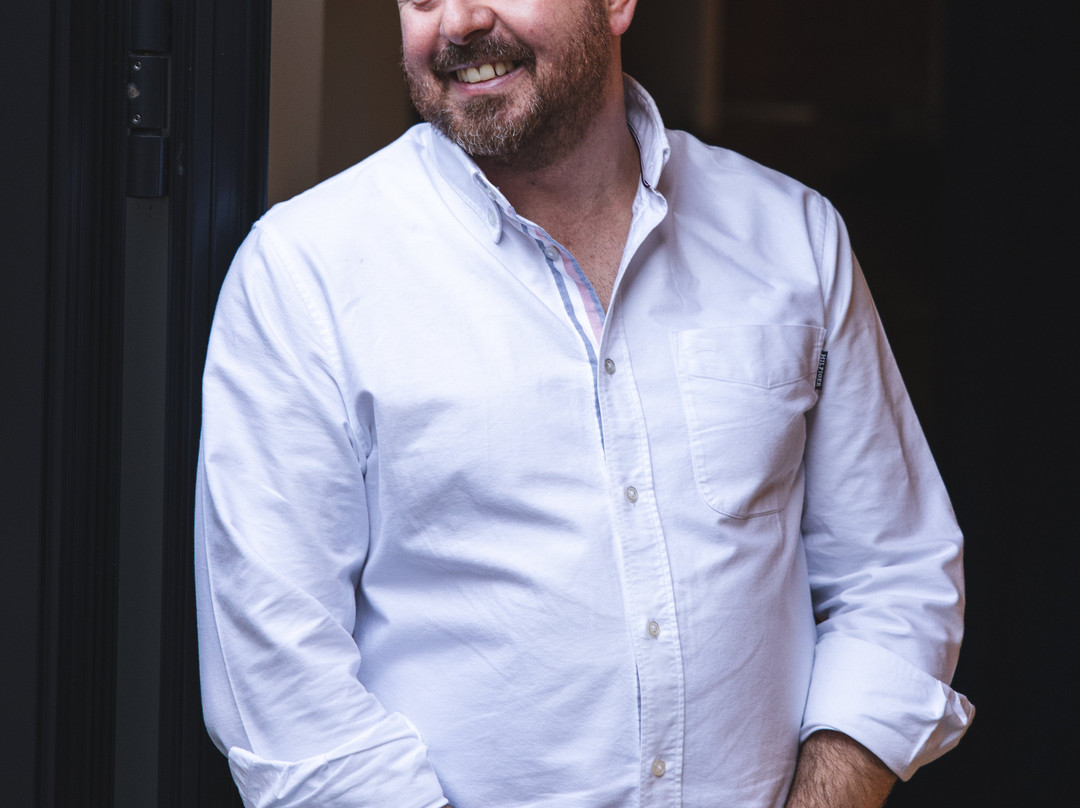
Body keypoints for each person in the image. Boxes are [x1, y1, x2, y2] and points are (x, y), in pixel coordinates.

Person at [194, 1, 974, 806]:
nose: (458, 21)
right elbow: (286, 692)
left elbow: (896, 575)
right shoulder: (305, 274)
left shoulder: (792, 236)